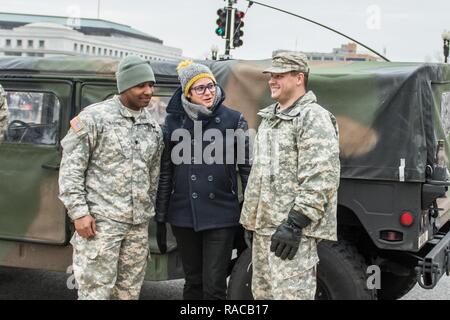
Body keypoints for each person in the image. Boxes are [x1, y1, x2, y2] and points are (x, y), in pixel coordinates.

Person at [58, 55, 164, 300]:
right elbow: (71, 170)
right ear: (124, 86)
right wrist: (79, 213)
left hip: (136, 227)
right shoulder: (94, 118)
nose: (148, 91)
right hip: (100, 224)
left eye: (151, 85)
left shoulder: (152, 126)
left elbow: (153, 175)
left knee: (128, 294)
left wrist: (145, 210)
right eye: (141, 86)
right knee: (95, 293)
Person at [240, 52, 340, 300]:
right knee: (262, 296)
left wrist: (295, 223)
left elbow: (322, 177)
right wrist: (251, 220)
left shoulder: (312, 117)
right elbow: (261, 174)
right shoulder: (270, 118)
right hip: (264, 229)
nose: (272, 81)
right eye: (271, 76)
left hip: (292, 232)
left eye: (280, 76)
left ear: (299, 78)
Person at [155, 60, 251, 300]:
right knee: (193, 282)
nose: (209, 92)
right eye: (200, 88)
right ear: (188, 92)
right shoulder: (173, 122)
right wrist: (160, 214)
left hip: (221, 213)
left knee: (214, 285)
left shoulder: (233, 120)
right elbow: (166, 171)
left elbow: (247, 170)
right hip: (183, 214)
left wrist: (250, 213)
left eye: (211, 86)